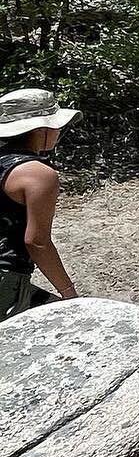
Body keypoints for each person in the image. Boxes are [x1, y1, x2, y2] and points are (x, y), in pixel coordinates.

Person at [0, 87, 80, 320]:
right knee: (69, 325)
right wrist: (69, 293)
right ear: (41, 130)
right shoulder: (38, 175)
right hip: (6, 279)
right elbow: (37, 242)